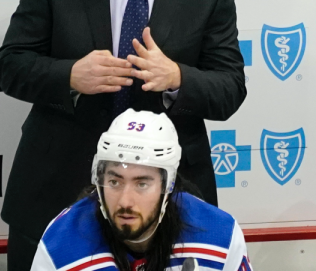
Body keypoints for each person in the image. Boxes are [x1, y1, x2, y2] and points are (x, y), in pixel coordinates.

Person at [0, 0, 247, 269]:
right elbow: (11, 65)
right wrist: (70, 76)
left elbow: (230, 89)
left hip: (168, 203)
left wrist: (177, 78)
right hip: (56, 188)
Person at [31, 109, 253, 271]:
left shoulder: (220, 235)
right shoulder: (60, 242)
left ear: (168, 185)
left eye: (142, 184)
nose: (125, 201)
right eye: (115, 182)